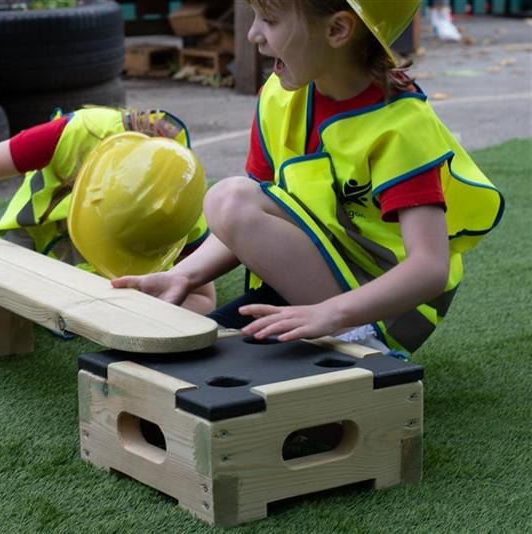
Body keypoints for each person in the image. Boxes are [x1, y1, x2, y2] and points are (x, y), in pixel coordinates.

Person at [112, 0, 503, 357]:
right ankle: (320, 325)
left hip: (385, 312)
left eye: (269, 20)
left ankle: (362, 344)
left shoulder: (400, 127)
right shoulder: (281, 97)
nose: (253, 36)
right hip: (313, 286)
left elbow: (430, 268)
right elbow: (251, 222)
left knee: (228, 197)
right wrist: (184, 274)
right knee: (184, 357)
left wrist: (333, 314)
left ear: (337, 30)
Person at [0, 106, 216, 314]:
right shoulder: (74, 134)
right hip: (29, 237)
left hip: (119, 261)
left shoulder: (180, 205)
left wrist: (149, 305)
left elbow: (203, 298)